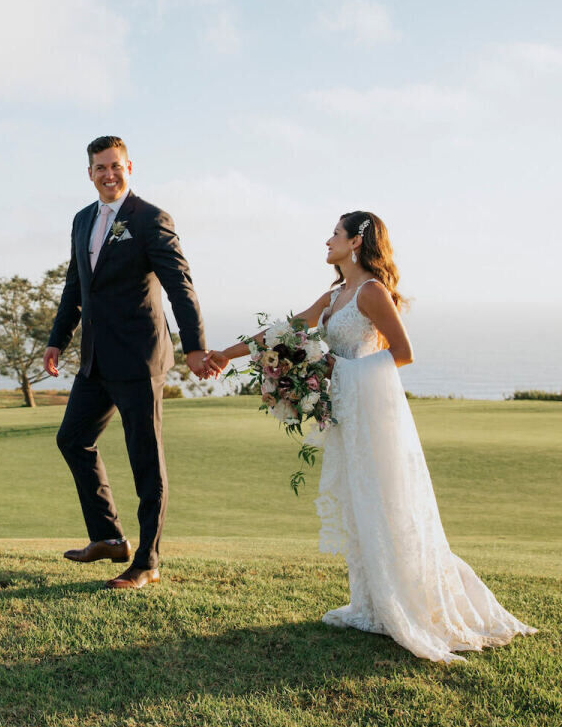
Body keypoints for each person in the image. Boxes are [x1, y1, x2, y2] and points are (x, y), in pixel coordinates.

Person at [205, 211, 536, 664]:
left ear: (356, 241)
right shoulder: (335, 294)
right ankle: (374, 604)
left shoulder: (371, 292)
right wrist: (227, 352)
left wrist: (341, 370)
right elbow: (287, 330)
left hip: (371, 412)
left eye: (335, 234)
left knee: (387, 503)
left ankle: (409, 605)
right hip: (345, 413)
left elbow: (403, 354)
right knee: (360, 504)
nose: (327, 240)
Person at [44, 135, 216, 590]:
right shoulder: (82, 220)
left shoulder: (150, 218)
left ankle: (146, 561)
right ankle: (108, 537)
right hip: (96, 359)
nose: (109, 174)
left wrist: (195, 345)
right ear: (89, 173)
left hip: (140, 360)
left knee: (145, 462)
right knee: (73, 439)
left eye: (116, 166)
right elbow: (76, 287)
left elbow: (180, 285)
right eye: (101, 167)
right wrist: (57, 339)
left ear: (129, 167)